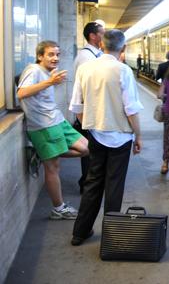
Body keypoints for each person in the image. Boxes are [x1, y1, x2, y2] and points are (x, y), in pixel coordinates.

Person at [69, 29, 143, 246]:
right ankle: (111, 236)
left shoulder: (85, 69)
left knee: (93, 182)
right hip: (121, 138)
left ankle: (79, 233)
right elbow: (131, 109)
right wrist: (138, 136)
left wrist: (90, 126)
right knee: (114, 185)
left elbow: (76, 106)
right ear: (123, 48)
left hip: (96, 136)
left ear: (101, 44)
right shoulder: (123, 71)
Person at [17, 40, 89, 220]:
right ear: (40, 56)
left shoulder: (47, 72)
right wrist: (50, 82)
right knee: (53, 167)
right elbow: (21, 93)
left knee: (87, 148)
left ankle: (43, 152)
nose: (55, 58)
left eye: (57, 54)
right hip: (43, 126)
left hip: (57, 120)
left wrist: (51, 81)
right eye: (50, 54)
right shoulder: (33, 70)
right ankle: (59, 208)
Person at [73, 21, 105, 193]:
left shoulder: (94, 55)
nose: (104, 36)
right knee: (90, 151)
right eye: (102, 33)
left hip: (92, 110)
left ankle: (90, 182)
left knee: (93, 150)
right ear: (93, 36)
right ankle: (86, 184)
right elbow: (86, 87)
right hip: (88, 111)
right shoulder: (87, 57)